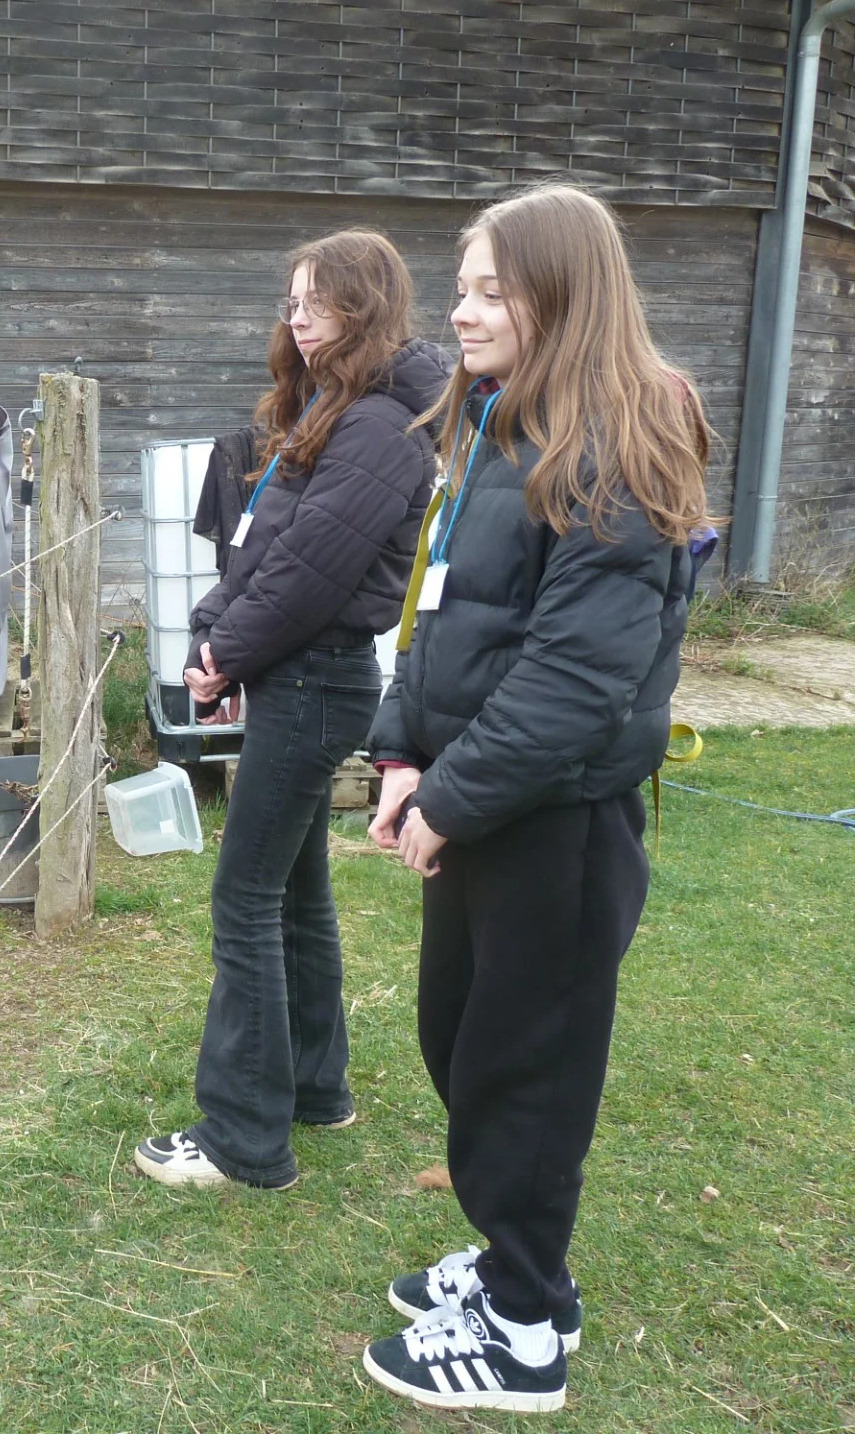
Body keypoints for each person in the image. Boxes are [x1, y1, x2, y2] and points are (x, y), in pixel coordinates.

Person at [360, 184, 714, 1413]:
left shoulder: (618, 443)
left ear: (565, 296)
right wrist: (402, 756)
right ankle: (519, 1264)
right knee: (461, 1040)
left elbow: (574, 679)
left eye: (490, 292)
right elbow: (444, 615)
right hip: (482, 801)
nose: (459, 314)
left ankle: (523, 1333)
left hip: (553, 824)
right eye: (460, 289)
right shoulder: (503, 428)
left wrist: (450, 800)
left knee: (526, 1073)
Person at [132, 230, 449, 1192]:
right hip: (299, 677)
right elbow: (265, 547)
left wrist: (226, 652)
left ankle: (244, 1139)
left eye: (318, 303)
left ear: (366, 307)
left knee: (245, 900)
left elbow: (310, 573)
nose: (298, 319)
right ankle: (315, 1087)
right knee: (297, 894)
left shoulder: (381, 425)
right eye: (293, 301)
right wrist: (215, 637)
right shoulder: (338, 406)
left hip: (315, 682)